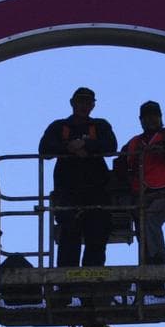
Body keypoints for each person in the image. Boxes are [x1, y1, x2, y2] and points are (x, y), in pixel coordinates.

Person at [38, 87, 117, 268]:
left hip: (96, 192)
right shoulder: (59, 126)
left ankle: (93, 278)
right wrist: (68, 148)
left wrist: (86, 145)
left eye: (88, 102)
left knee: (97, 233)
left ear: (93, 105)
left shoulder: (100, 125)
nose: (84, 106)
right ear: (72, 103)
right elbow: (44, 149)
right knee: (69, 233)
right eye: (80, 101)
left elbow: (111, 145)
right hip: (67, 191)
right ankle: (66, 280)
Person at [114, 100, 165, 266]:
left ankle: (157, 261)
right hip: (141, 194)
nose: (150, 120)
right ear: (141, 120)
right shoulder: (134, 143)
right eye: (146, 117)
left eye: (154, 116)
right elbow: (119, 164)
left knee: (151, 218)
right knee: (142, 224)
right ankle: (147, 261)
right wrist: (127, 180)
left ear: (160, 117)